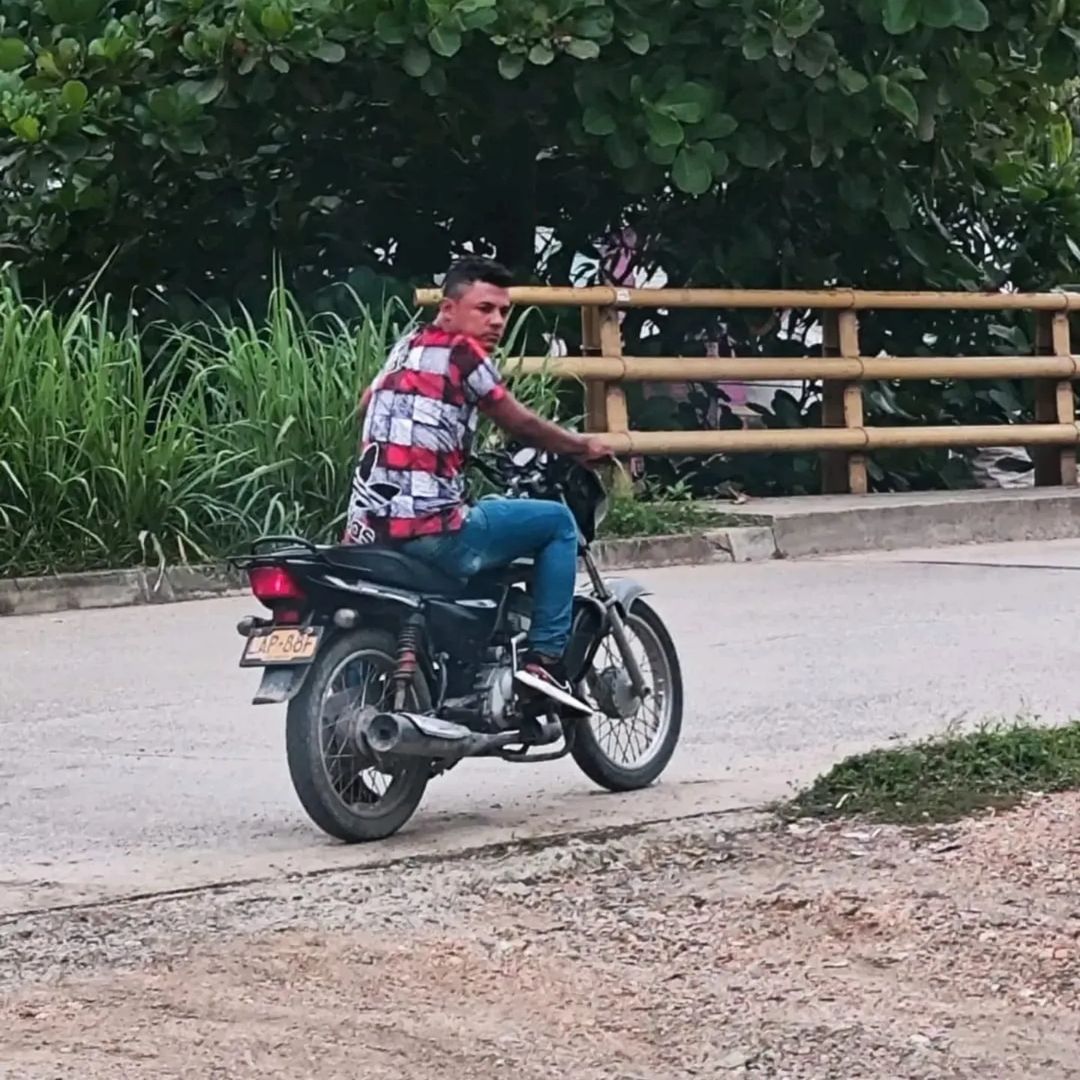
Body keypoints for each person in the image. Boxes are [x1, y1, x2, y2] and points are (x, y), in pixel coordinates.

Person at [346, 257, 612, 713]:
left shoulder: (404, 348)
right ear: (448, 310)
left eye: (503, 312)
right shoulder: (465, 355)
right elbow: (519, 423)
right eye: (484, 308)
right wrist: (579, 445)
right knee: (557, 522)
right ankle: (543, 661)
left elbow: (366, 405)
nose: (496, 321)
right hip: (431, 532)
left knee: (489, 510)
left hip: (366, 529)